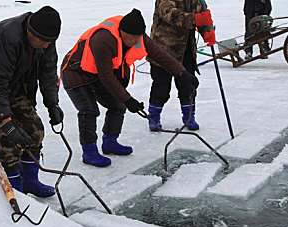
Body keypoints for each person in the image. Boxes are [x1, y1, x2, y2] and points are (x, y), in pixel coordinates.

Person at [60, 8, 198, 167]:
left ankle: (110, 142)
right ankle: (89, 151)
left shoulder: (139, 36)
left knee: (117, 106)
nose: (135, 42)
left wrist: (182, 73)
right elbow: (107, 78)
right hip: (76, 72)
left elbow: (160, 54)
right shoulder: (103, 40)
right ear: (122, 32)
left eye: (138, 38)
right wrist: (129, 99)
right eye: (132, 38)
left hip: (97, 73)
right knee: (89, 110)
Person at [0, 6, 63, 197]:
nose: (47, 46)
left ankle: (31, 181)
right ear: (31, 33)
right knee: (6, 141)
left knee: (35, 131)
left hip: (13, 85)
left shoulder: (46, 39)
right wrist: (7, 122)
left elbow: (48, 73)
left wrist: (53, 104)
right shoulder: (7, 37)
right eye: (44, 42)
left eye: (50, 42)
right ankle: (15, 188)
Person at [147, 0, 215, 133]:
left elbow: (203, 16)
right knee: (161, 86)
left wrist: (207, 30)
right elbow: (169, 14)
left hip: (186, 50)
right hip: (163, 50)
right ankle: (154, 117)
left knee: (188, 85)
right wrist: (195, 19)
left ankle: (189, 117)